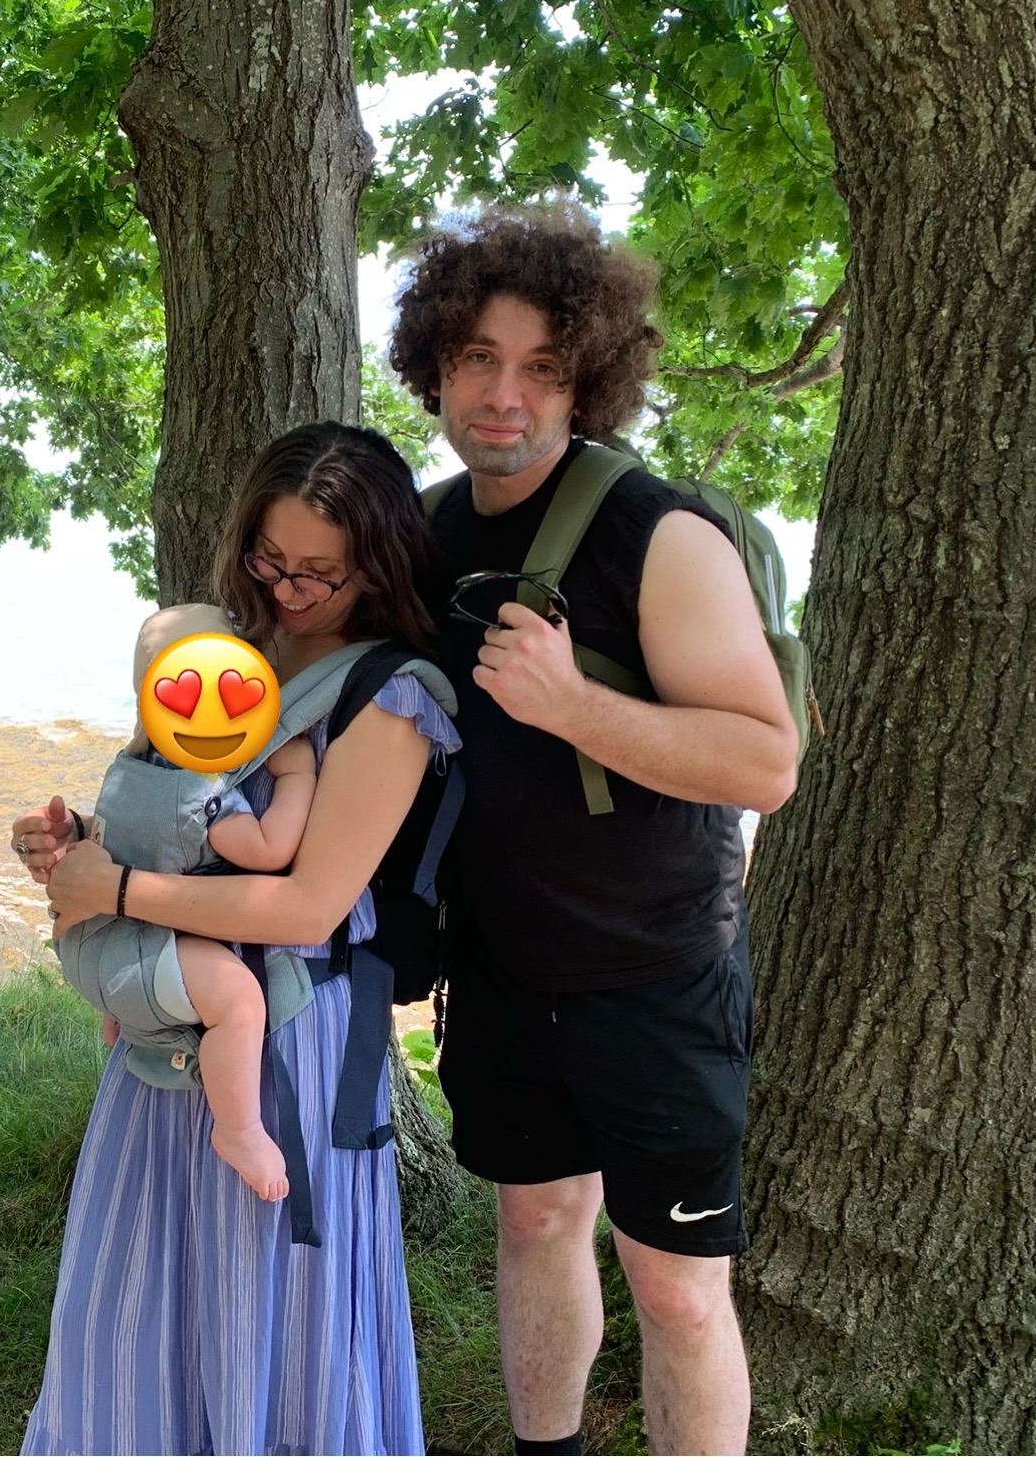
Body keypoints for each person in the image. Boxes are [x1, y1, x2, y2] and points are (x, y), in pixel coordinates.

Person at [388, 202, 798, 1457]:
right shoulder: (425, 532)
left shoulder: (658, 533)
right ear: (436, 364)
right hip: (499, 972)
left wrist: (573, 706)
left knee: (678, 1290)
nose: (503, 395)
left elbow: (766, 760)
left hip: (654, 976)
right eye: (477, 358)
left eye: (543, 366)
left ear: (591, 381)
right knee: (533, 1223)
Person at [8, 421, 460, 1456]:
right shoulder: (227, 655)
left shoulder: (388, 695)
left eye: (321, 572)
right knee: (136, 1287)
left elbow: (309, 906)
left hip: (290, 1038)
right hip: (172, 1009)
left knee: (273, 1293)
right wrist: (77, 843)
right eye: (269, 560)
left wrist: (119, 889)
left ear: (377, 564)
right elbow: (180, 818)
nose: (291, 591)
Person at [48, 603, 320, 1201]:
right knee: (239, 1001)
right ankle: (239, 1129)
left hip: (90, 947)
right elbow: (269, 849)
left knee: (171, 957)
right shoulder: (198, 791)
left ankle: (130, 1018)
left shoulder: (128, 768)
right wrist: (297, 776)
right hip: (135, 959)